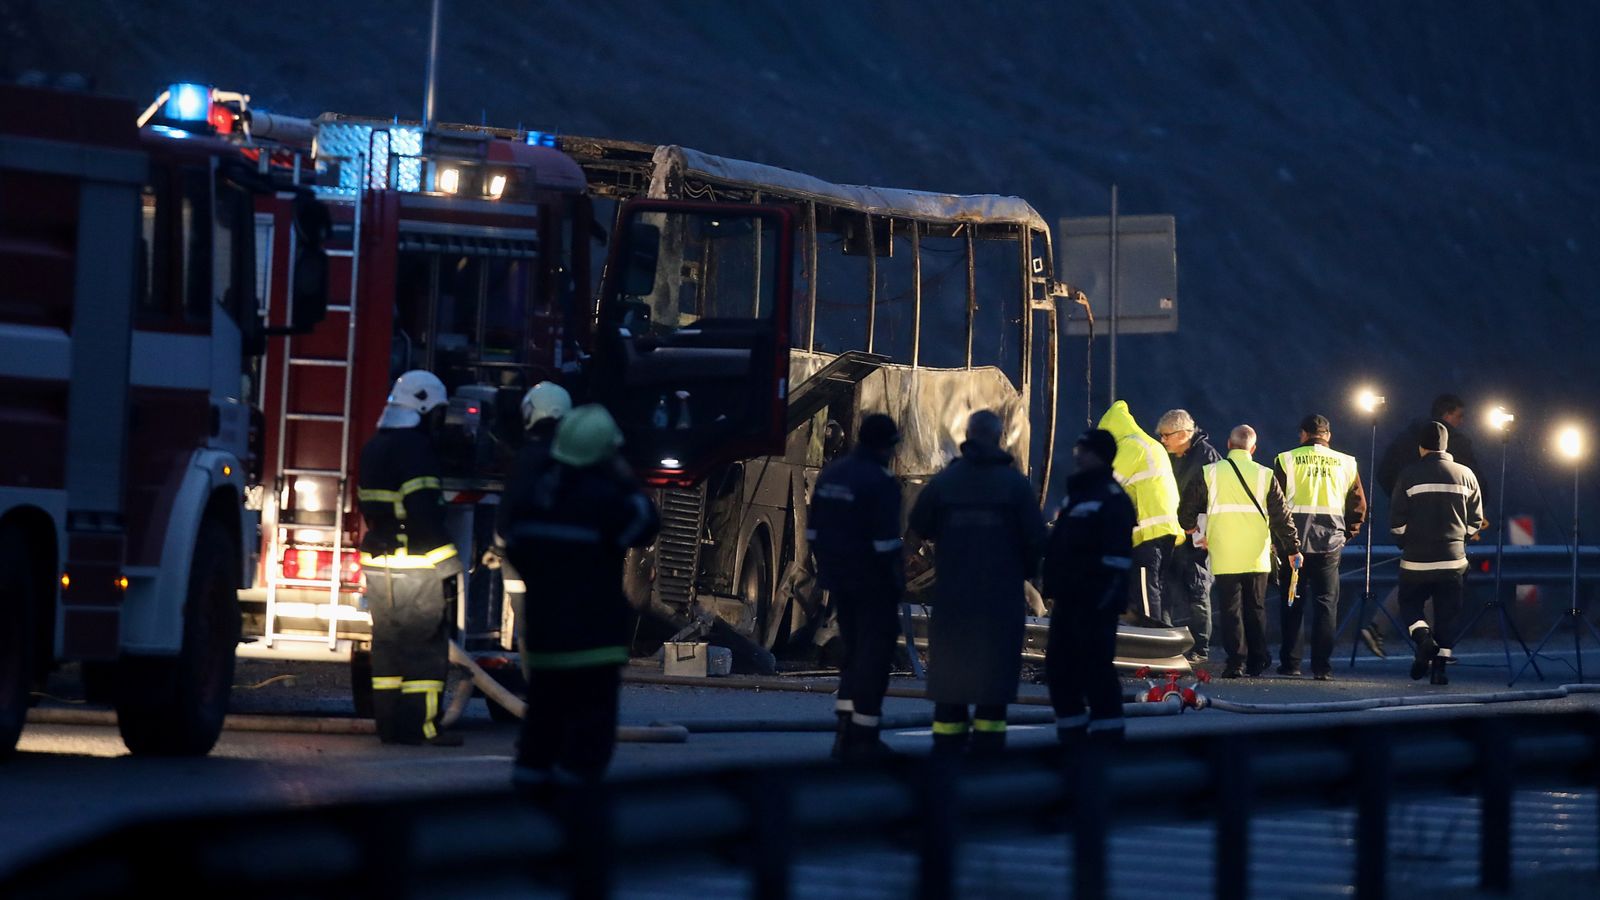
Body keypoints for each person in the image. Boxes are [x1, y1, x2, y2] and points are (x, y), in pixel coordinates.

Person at [504, 404, 660, 788]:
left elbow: (515, 544)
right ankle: (575, 827)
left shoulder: (537, 496)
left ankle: (527, 818)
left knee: (539, 738)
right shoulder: (608, 500)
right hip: (595, 646)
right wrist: (624, 479)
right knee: (587, 748)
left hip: (545, 643)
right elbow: (646, 524)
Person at [908, 410, 1047, 756]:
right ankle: (989, 747)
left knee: (952, 674)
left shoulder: (946, 482)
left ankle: (947, 747)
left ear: (967, 438)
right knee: (994, 675)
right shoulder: (1016, 486)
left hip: (954, 595)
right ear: (999, 439)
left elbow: (915, 531)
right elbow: (1036, 543)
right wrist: (1023, 576)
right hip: (1000, 599)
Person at [356, 370, 464, 746]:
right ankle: (423, 728)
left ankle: (389, 726)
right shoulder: (416, 450)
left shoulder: (375, 446)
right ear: (422, 407)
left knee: (387, 648)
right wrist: (450, 567)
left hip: (378, 563)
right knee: (425, 651)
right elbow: (424, 514)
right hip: (417, 567)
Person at [807, 413, 905, 761]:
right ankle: (864, 736)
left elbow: (813, 532)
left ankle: (844, 731)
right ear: (887, 446)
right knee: (874, 658)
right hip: (872, 583)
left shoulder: (832, 474)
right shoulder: (881, 482)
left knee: (851, 653)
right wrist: (896, 581)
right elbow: (886, 545)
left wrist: (829, 568)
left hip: (838, 579)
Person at [1363, 393, 1483, 657]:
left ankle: (1422, 642)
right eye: (1460, 416)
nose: (1462, 422)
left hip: (1417, 547)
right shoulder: (1461, 455)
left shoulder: (1407, 450)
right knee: (1446, 604)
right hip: (1452, 551)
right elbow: (1476, 510)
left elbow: (1386, 478)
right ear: (1447, 416)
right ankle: (1436, 657)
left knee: (1415, 592)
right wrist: (1462, 534)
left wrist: (1409, 527)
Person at [1178, 425, 1302, 678]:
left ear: (1228, 444)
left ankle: (1236, 662)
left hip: (1224, 553)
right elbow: (1281, 517)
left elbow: (1186, 509)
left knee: (1230, 609)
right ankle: (1258, 660)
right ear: (1253, 448)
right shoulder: (1265, 475)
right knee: (1256, 608)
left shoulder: (1209, 473)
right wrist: (1293, 548)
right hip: (1256, 554)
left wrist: (1191, 528)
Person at [1043, 429, 1136, 746]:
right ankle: (1073, 739)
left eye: (1081, 448)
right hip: (1069, 600)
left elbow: (1117, 560)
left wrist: (1102, 601)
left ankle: (1107, 742)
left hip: (1093, 604)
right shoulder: (1078, 495)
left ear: (1096, 453)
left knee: (1095, 670)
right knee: (1060, 670)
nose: (1076, 454)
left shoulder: (1111, 499)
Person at [487, 382, 572, 677]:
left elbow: (508, 511)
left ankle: (535, 688)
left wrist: (497, 547)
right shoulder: (576, 459)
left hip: (525, 561)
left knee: (528, 630)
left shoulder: (528, 458)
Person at [1273, 415, 1367, 680]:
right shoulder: (1346, 463)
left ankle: (1291, 664)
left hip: (1293, 546)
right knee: (1326, 605)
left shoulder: (1286, 460)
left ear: (1303, 434)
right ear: (1329, 435)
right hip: (1329, 545)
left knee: (1292, 602)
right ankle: (1322, 668)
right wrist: (1346, 534)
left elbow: (1276, 504)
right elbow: (1358, 505)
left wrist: (1279, 539)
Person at [1391, 421, 1484, 685]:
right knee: (1447, 615)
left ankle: (1423, 640)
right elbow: (1474, 522)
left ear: (1421, 447)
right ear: (1446, 446)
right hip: (1453, 561)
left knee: (1409, 604)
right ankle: (1439, 671)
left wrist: (1405, 543)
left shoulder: (1408, 475)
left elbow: (1397, 522)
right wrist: (1458, 540)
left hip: (1415, 561)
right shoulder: (1466, 475)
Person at [1097, 401, 1184, 623]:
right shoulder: (1151, 445)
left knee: (1146, 591)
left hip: (1149, 532)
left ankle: (1150, 642)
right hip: (1167, 530)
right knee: (1155, 587)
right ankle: (1163, 635)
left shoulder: (1130, 446)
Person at [1157, 409, 1221, 663]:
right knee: (1166, 591)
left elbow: (1216, 499)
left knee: (1197, 591)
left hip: (1195, 537)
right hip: (1173, 534)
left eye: (1166, 435)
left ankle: (1200, 648)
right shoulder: (1171, 456)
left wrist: (1205, 532)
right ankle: (1167, 645)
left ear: (1183, 434)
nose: (1162, 440)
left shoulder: (1208, 457)